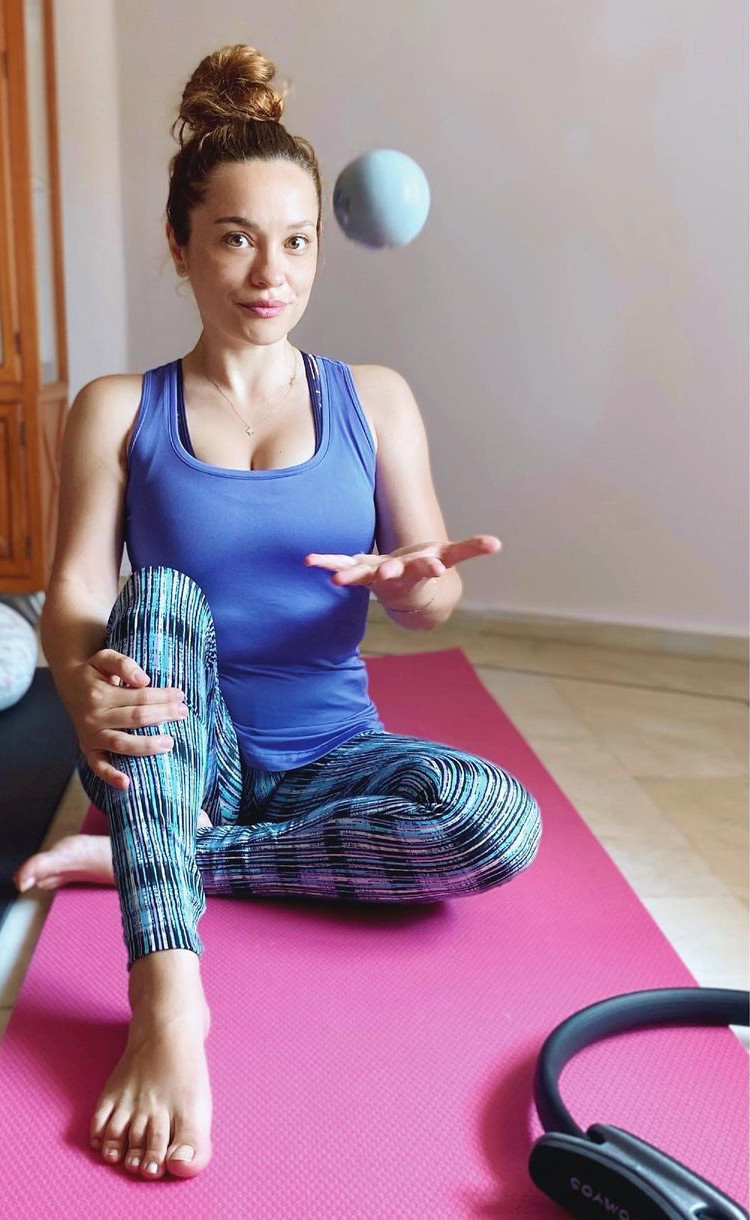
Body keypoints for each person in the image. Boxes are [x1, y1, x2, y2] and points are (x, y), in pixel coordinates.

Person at [13, 44, 542, 1182]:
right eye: (237, 237)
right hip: (175, 745)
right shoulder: (118, 407)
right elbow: (79, 595)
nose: (272, 272)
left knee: (497, 820)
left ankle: (172, 857)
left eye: (297, 241)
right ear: (181, 244)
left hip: (326, 757)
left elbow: (433, 596)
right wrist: (83, 682)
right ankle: (167, 1001)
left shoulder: (376, 399)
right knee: (159, 593)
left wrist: (413, 584)